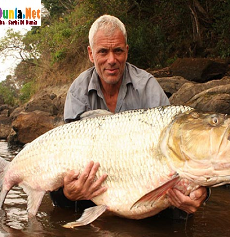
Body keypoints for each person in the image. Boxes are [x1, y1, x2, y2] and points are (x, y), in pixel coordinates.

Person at [50, 14, 208, 218]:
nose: (111, 60)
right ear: (91, 54)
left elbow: (178, 148)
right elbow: (67, 155)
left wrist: (201, 190)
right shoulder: (77, 91)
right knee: (61, 200)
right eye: (103, 52)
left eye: (118, 51)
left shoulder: (147, 85)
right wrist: (68, 193)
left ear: (127, 50)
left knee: (179, 210)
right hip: (97, 183)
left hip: (144, 178)